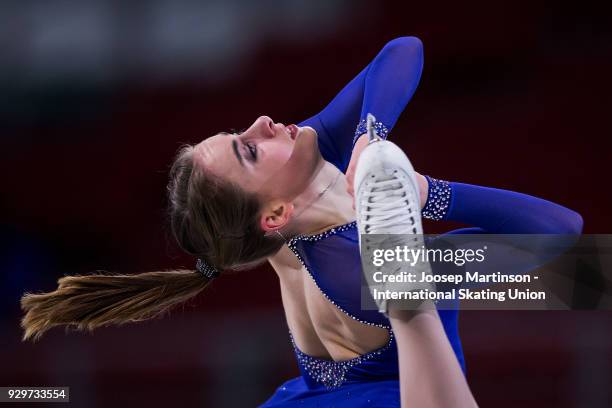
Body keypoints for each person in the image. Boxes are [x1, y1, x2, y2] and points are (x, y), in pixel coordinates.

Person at [20, 37, 583, 407]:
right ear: (276, 214)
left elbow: (402, 51)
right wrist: (426, 193)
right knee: (582, 277)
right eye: (248, 150)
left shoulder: (302, 183)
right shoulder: (354, 260)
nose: (263, 122)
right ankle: (409, 303)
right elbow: (562, 239)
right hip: (400, 388)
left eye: (239, 131)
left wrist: (372, 136)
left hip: (307, 394)